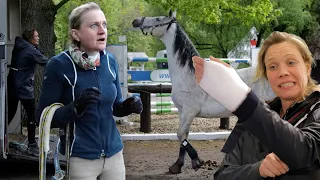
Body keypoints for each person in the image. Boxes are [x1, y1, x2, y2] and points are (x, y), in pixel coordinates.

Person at [192, 31, 320, 179]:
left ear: (307, 67)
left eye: (291, 62)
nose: (282, 72)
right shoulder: (251, 119)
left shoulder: (252, 112)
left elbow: (305, 150)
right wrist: (258, 170)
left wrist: (239, 97)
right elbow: (222, 175)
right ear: (267, 75)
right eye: (272, 67)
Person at [36, 2, 142, 180]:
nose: (102, 30)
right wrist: (76, 106)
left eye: (104, 24)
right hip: (80, 157)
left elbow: (114, 107)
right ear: (75, 34)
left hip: (114, 154)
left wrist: (128, 106)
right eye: (94, 25)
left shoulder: (110, 61)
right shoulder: (59, 65)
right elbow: (42, 117)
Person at [7, 28, 49, 156]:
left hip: (13, 84)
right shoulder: (30, 50)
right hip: (23, 87)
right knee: (32, 114)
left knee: (9, 113)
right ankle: (31, 145)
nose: (38, 38)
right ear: (30, 38)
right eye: (36, 36)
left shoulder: (21, 46)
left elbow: (37, 54)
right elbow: (45, 61)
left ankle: (2, 136)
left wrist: (36, 48)